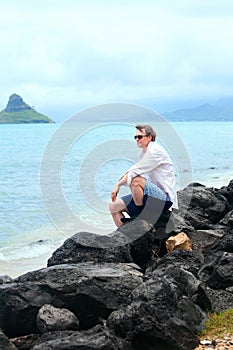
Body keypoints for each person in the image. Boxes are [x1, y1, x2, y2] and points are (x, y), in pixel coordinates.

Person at [109, 125, 178, 227]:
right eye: (135, 137)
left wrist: (118, 185)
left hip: (164, 199)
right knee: (113, 206)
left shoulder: (155, 151)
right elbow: (134, 170)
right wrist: (117, 185)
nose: (137, 139)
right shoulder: (142, 154)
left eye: (140, 137)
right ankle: (125, 237)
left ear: (149, 137)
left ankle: (139, 217)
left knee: (136, 181)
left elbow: (134, 171)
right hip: (149, 195)